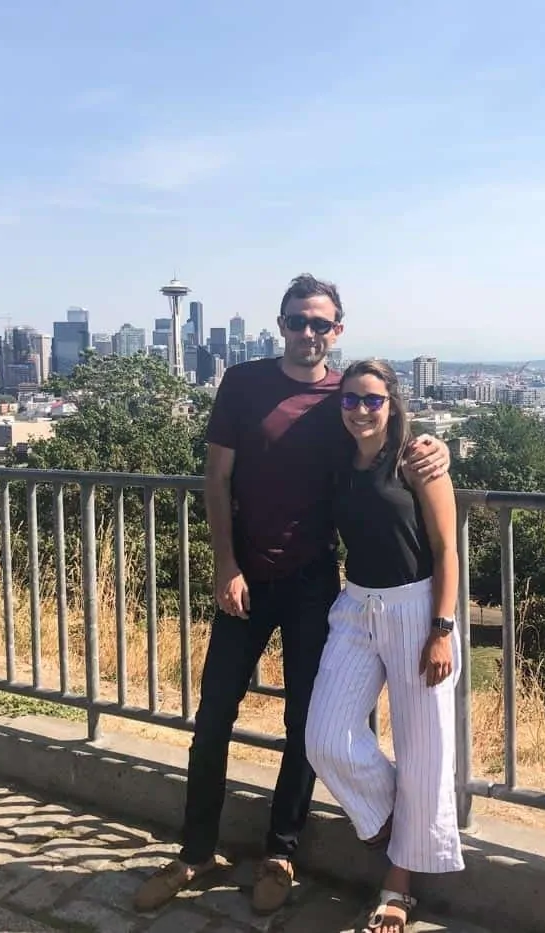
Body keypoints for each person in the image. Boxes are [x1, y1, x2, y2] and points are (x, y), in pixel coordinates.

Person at [134, 275, 451, 915]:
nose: (309, 333)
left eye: (321, 323)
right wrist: (225, 565)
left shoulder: (349, 396)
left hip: (316, 586)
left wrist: (435, 448)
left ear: (338, 330)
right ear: (280, 324)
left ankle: (281, 851)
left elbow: (388, 440)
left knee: (304, 725)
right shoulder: (244, 384)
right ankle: (195, 853)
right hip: (244, 580)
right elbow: (216, 478)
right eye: (297, 321)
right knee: (213, 717)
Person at [305, 358, 464, 933]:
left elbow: (447, 551)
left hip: (417, 609)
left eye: (372, 399)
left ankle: (397, 886)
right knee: (324, 736)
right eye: (350, 400)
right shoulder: (340, 462)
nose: (361, 410)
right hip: (356, 607)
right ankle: (394, 823)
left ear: (393, 402)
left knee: (425, 752)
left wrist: (441, 628)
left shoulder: (418, 461)